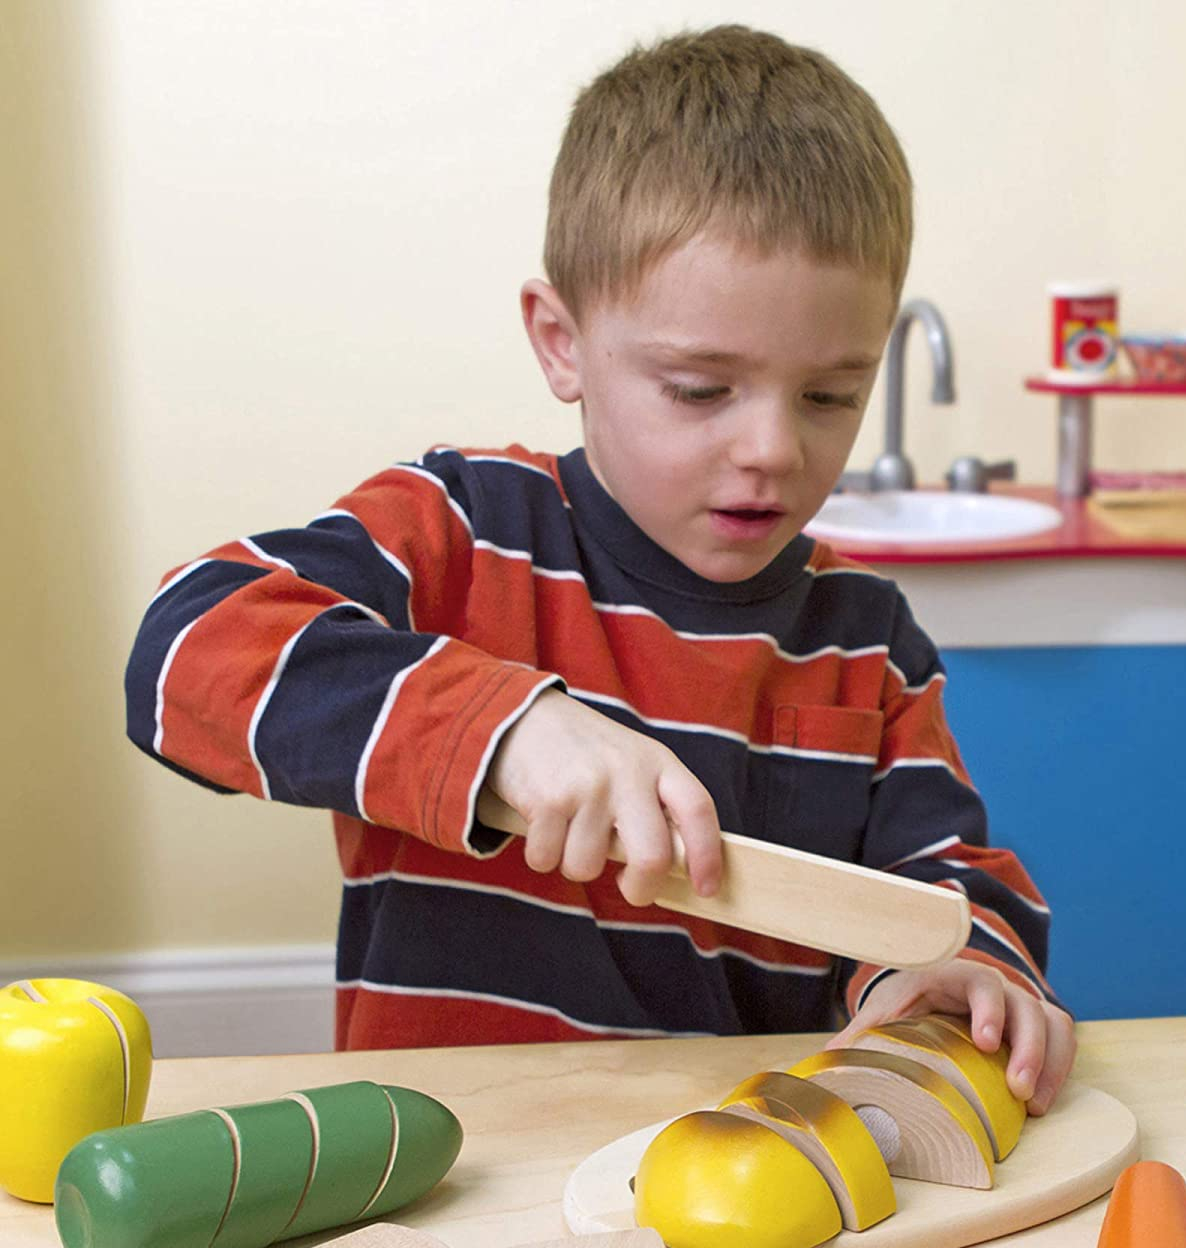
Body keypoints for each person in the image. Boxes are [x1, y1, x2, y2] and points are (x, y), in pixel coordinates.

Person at [124, 25, 1076, 1113]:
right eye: (698, 389)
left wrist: (969, 974)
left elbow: (949, 883)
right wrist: (502, 733)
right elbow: (181, 653)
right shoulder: (460, 528)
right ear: (562, 342)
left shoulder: (868, 638)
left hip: (737, 1177)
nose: (773, 447)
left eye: (829, 395)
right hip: (447, 1162)